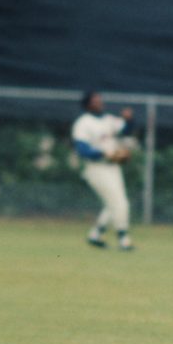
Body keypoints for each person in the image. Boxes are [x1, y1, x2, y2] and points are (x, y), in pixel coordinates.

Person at [71, 91, 136, 250]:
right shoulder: (83, 123)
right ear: (87, 104)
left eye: (99, 100)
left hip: (113, 167)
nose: (99, 102)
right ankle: (123, 238)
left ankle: (96, 235)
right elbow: (82, 150)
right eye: (95, 101)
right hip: (96, 168)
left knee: (112, 204)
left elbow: (126, 130)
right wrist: (104, 153)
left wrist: (129, 119)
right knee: (120, 203)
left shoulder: (108, 120)